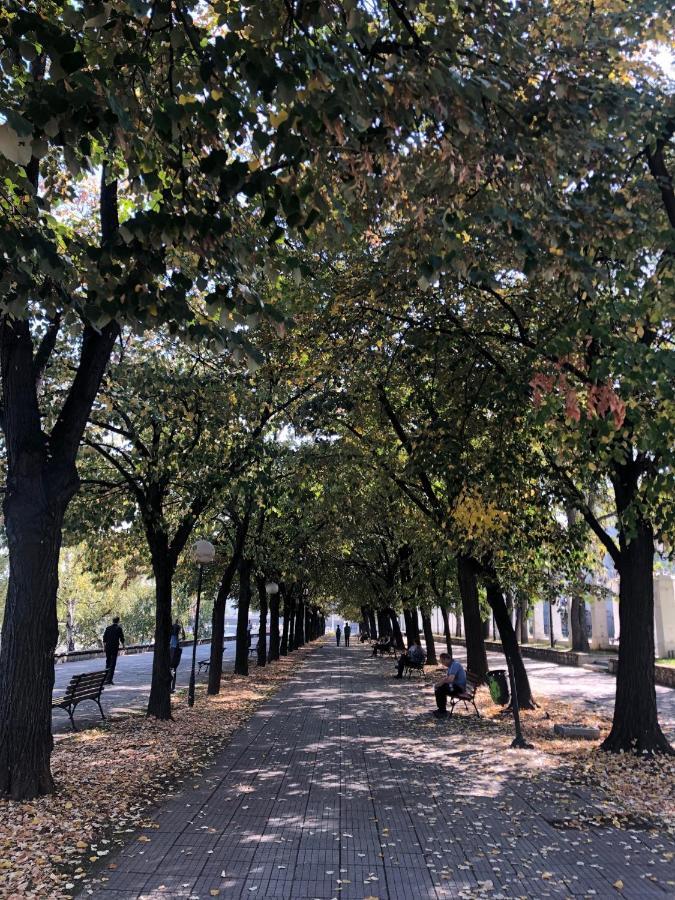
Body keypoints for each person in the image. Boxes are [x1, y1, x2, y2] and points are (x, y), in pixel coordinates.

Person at [433, 652, 467, 717]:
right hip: (455, 686)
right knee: (439, 688)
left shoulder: (455, 665)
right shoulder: (451, 666)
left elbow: (450, 679)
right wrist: (439, 683)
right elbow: (447, 678)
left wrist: (440, 684)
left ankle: (442, 711)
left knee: (441, 689)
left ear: (447, 659)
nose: (442, 663)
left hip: (459, 688)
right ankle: (441, 709)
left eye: (442, 661)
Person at [102, 616, 125, 684]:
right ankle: (109, 680)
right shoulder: (119, 628)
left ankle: (106, 679)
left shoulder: (108, 628)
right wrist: (123, 646)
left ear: (113, 621)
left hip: (108, 648)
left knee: (108, 662)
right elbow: (122, 638)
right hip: (114, 648)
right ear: (118, 621)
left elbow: (104, 639)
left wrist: (104, 647)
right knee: (113, 663)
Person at [169, 620, 185, 693]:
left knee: (171, 672)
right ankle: (172, 687)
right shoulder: (175, 641)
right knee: (173, 672)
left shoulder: (171, 639)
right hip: (174, 659)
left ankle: (171, 687)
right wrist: (182, 626)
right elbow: (184, 637)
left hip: (171, 659)